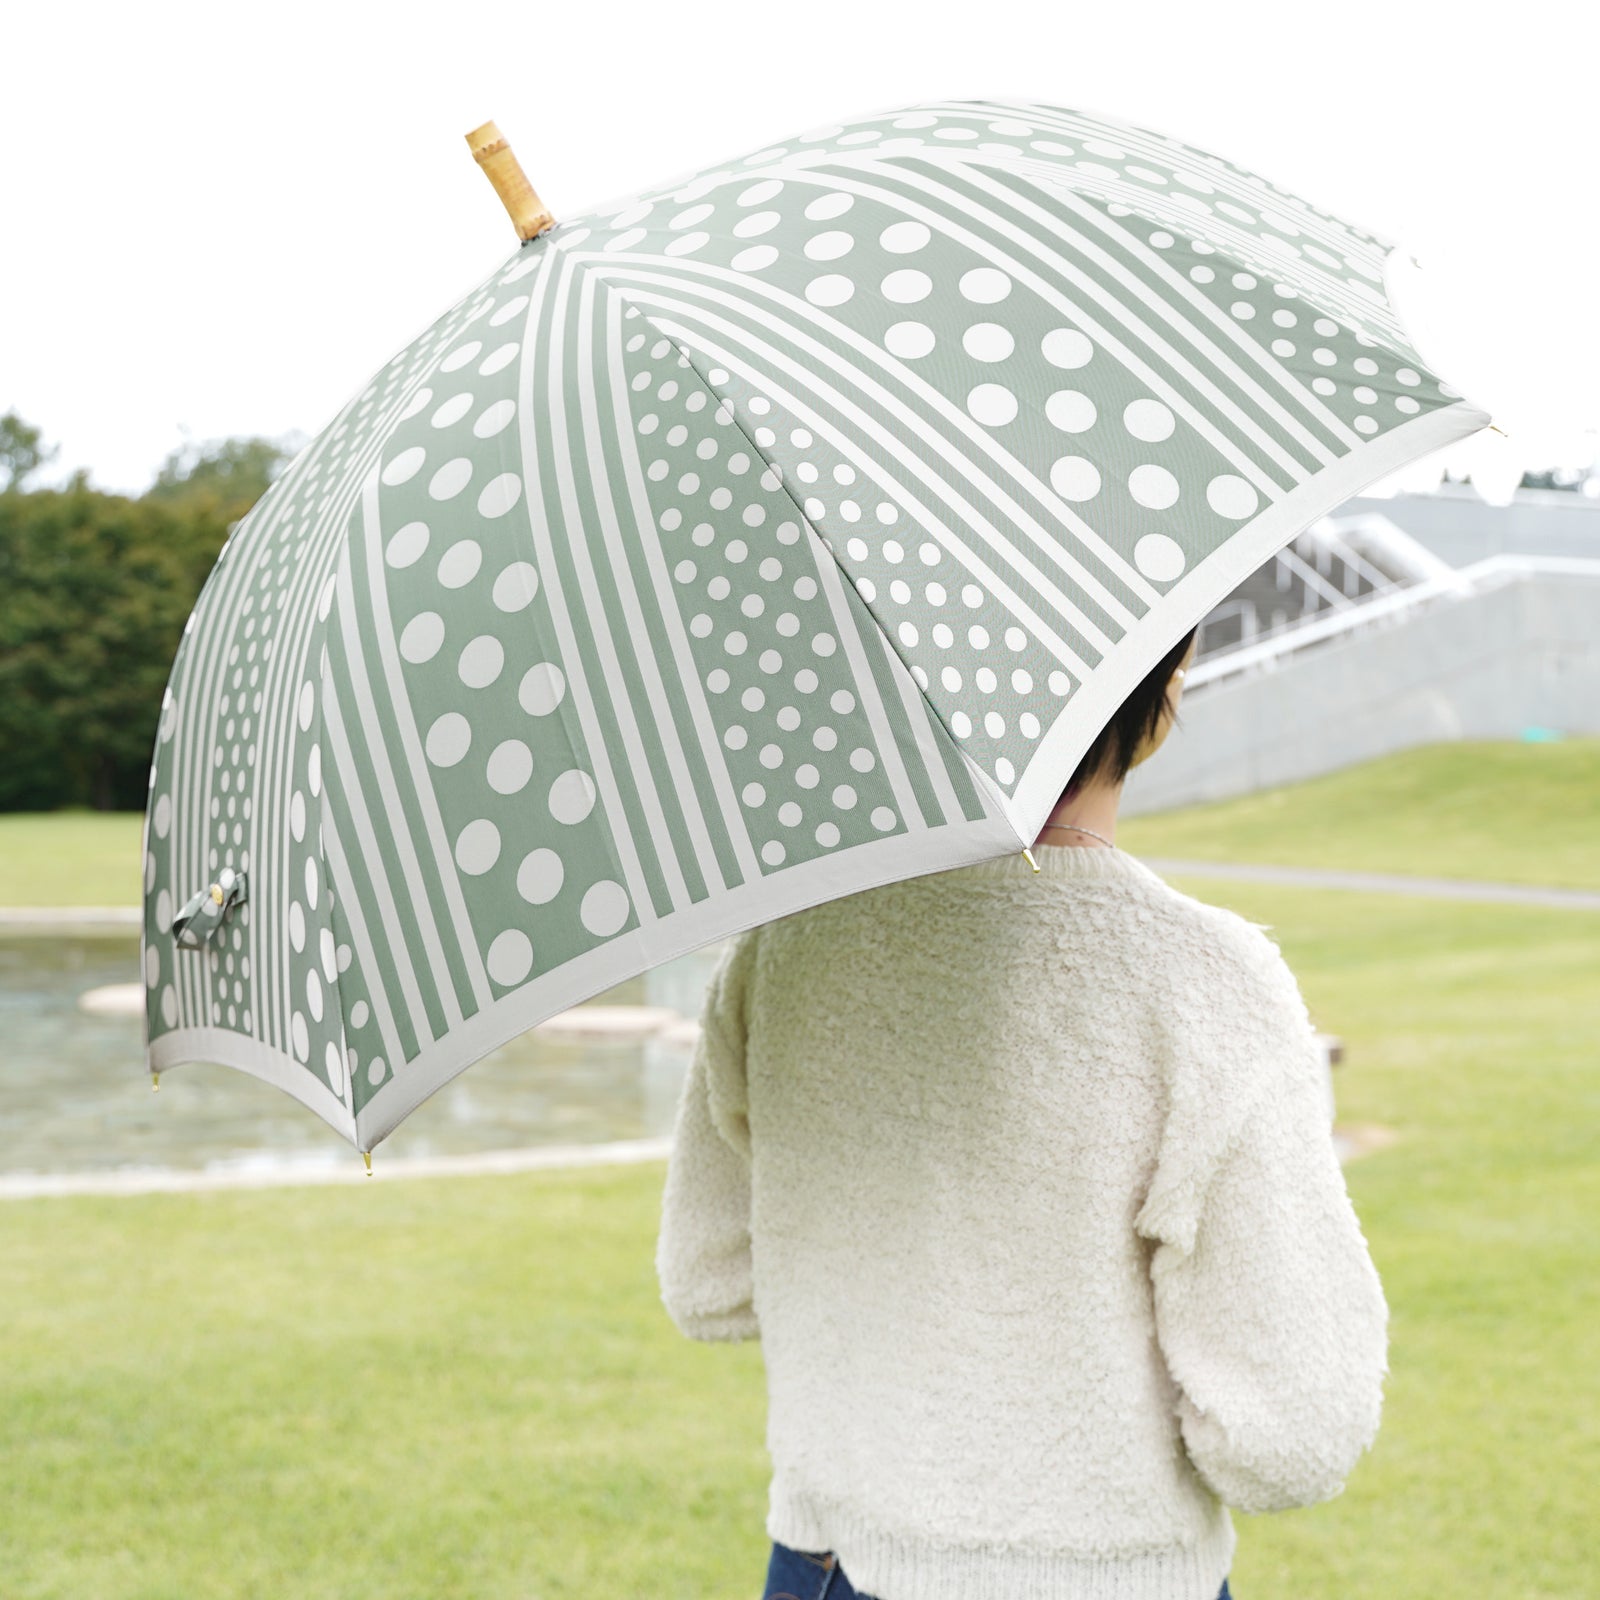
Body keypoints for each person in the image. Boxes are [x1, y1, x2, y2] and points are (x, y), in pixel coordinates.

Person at [656, 623, 1390, 1600]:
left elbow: (707, 1280)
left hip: (824, 1561)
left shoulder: (782, 947)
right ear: (1161, 689)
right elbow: (1291, 1437)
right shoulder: (1205, 982)